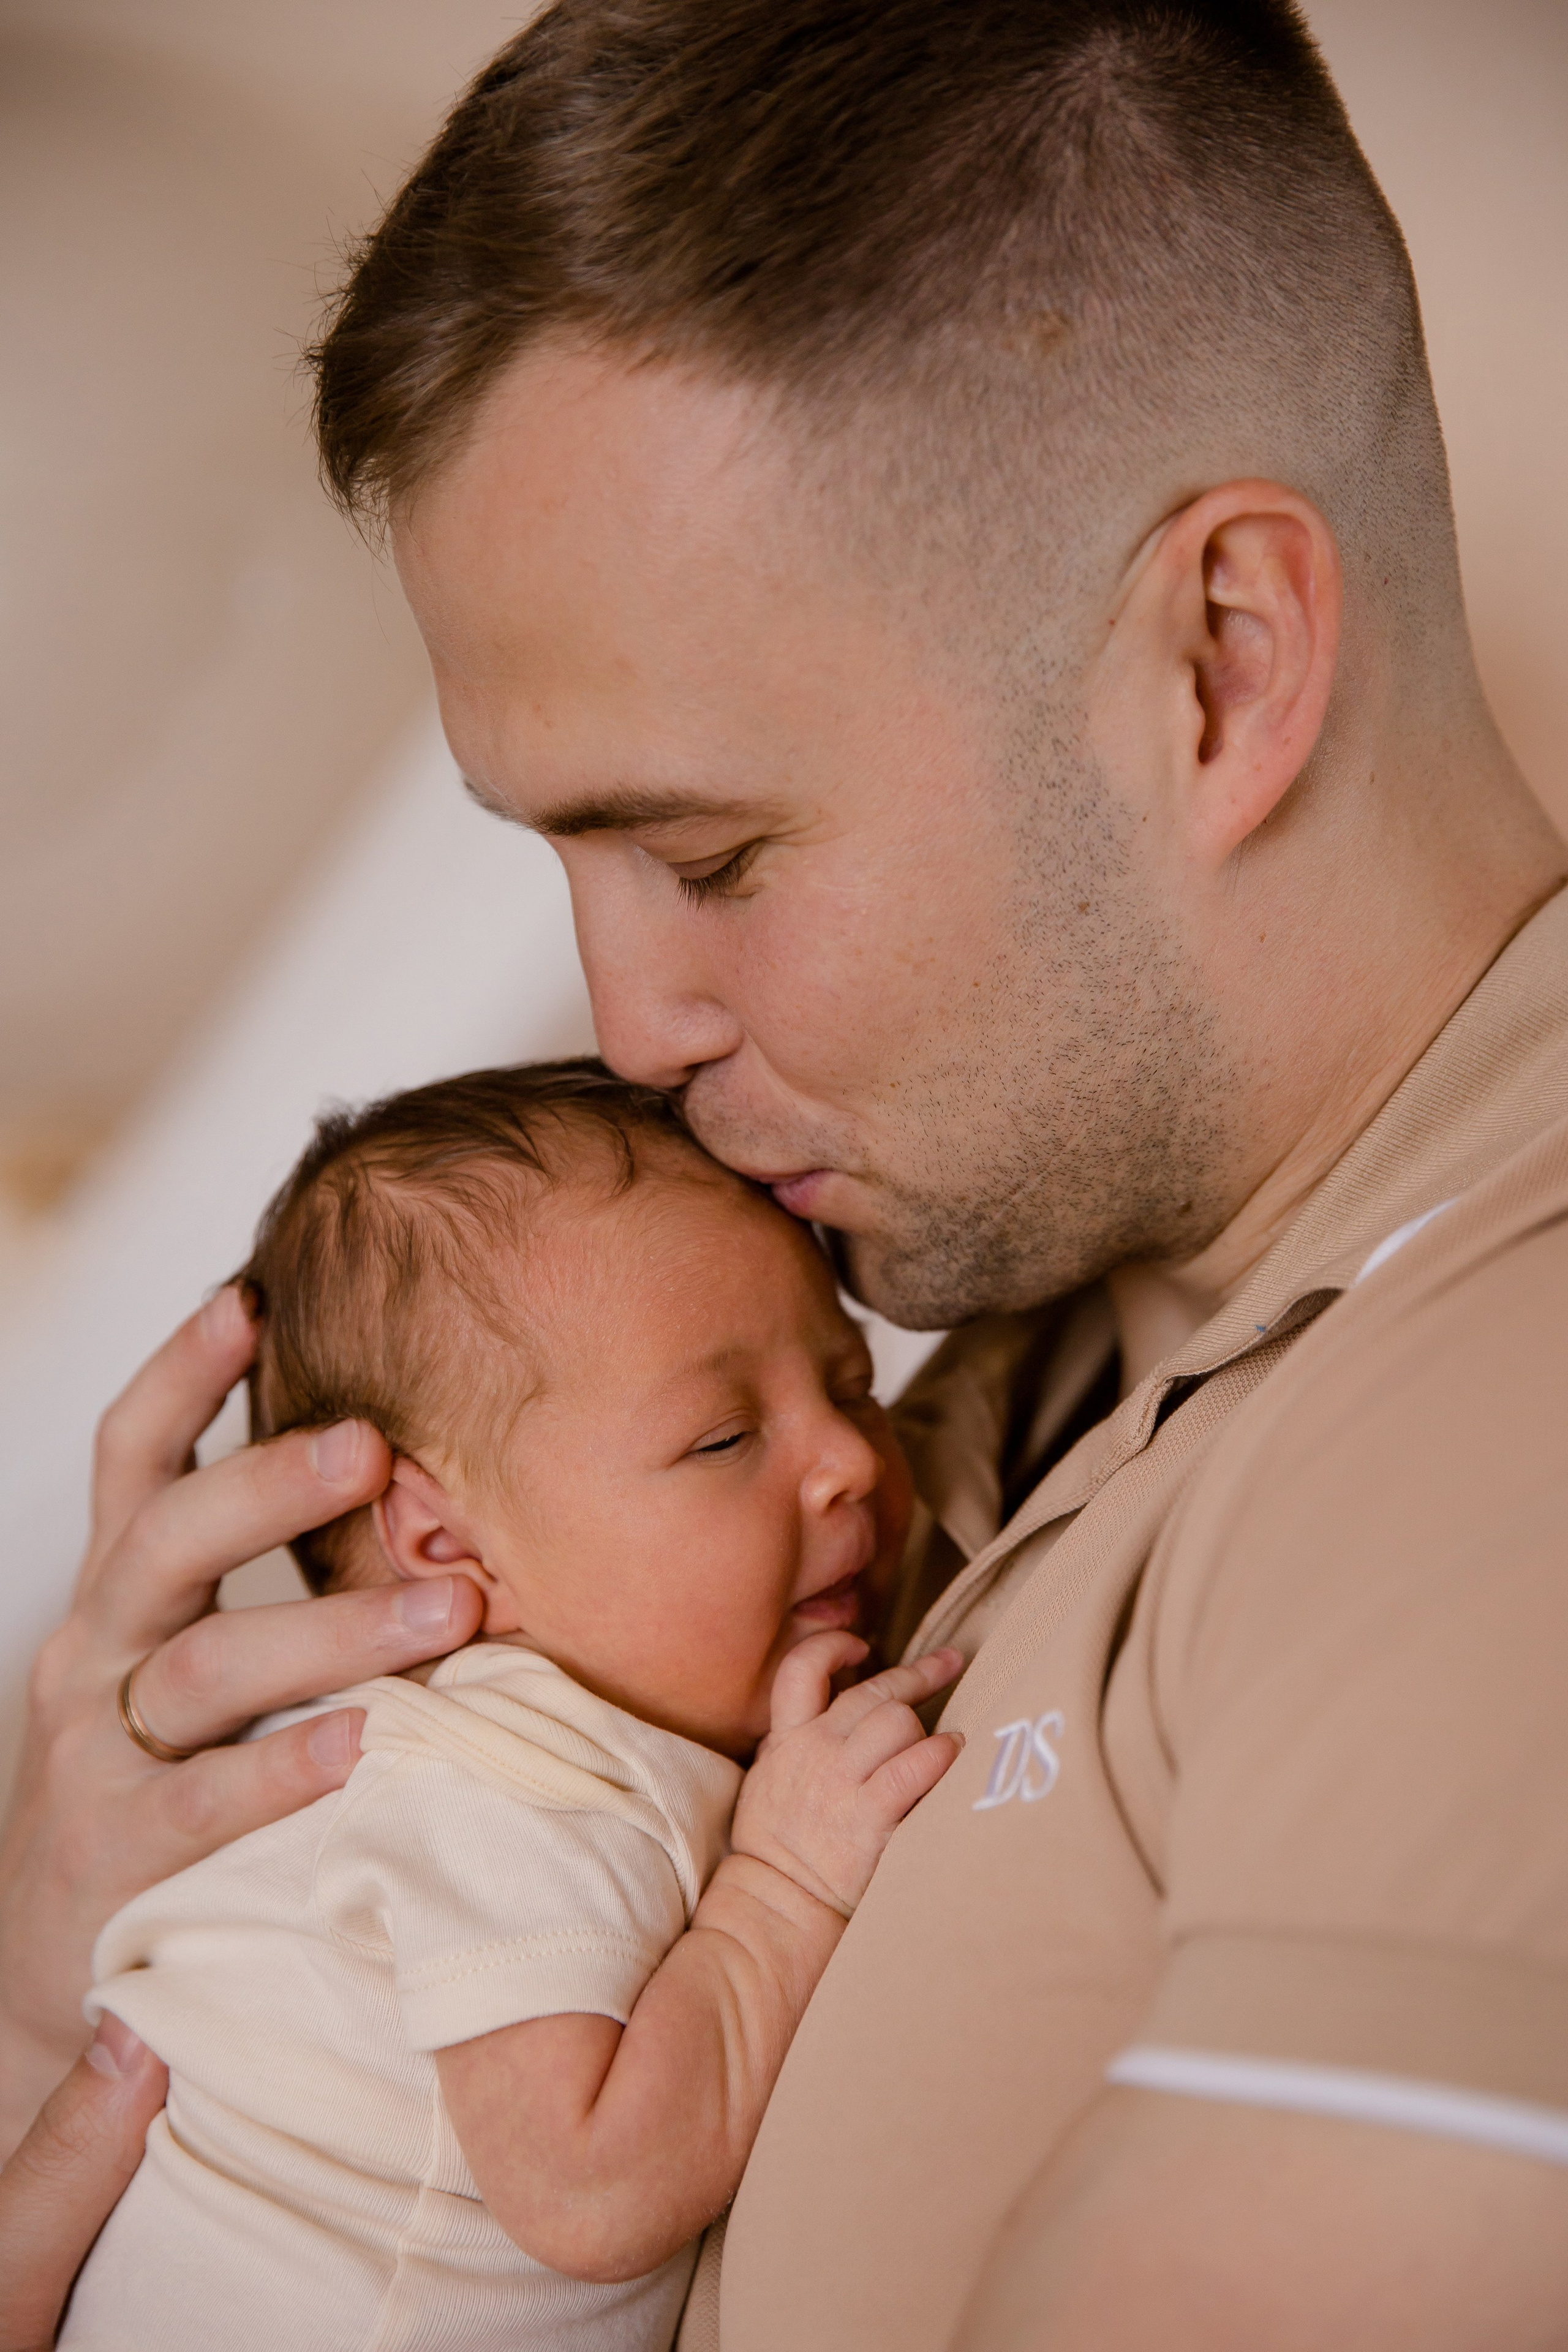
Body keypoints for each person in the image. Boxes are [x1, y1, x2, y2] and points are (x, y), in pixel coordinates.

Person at [4, 1, 1568, 2345]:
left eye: (712, 858)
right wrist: (95, 2011)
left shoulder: (1497, 1421)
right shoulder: (955, 1372)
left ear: (1221, 667)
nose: (632, 1032)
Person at [61, 1060, 958, 2348]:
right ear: (445, 1549)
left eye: (851, 1387)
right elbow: (588, 2189)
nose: (845, 1464)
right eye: (720, 1439)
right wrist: (783, 1893)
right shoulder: (505, 1784)